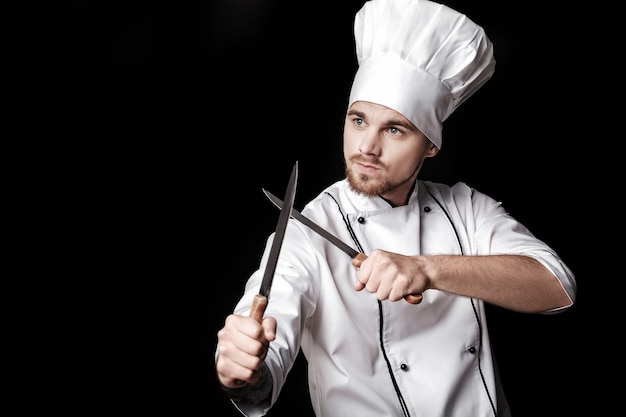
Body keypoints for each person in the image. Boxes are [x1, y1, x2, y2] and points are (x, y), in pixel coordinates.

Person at [214, 0, 576, 416]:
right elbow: (263, 358)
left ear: (431, 145)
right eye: (358, 121)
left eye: (394, 129)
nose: (367, 146)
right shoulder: (307, 229)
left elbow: (557, 287)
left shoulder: (466, 209)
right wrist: (244, 368)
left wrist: (426, 269)